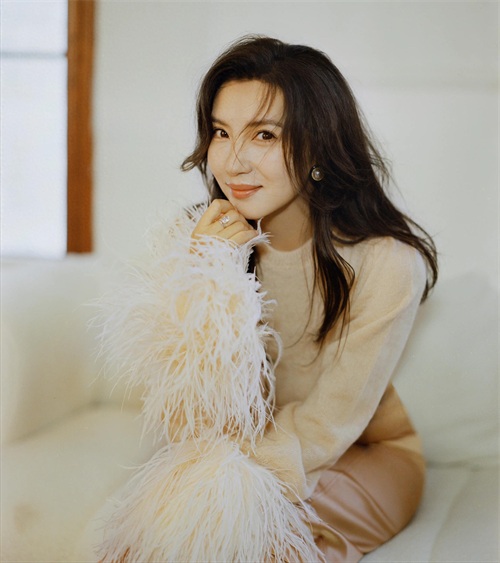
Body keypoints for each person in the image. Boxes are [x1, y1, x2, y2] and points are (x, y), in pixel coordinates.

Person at [180, 35, 439, 562]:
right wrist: (208, 277)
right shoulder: (200, 243)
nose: (233, 161)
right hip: (244, 456)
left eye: (264, 135)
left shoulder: (387, 262)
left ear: (318, 145)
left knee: (254, 544)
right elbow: (195, 410)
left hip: (367, 451)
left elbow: (329, 423)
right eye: (221, 132)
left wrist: (229, 489)